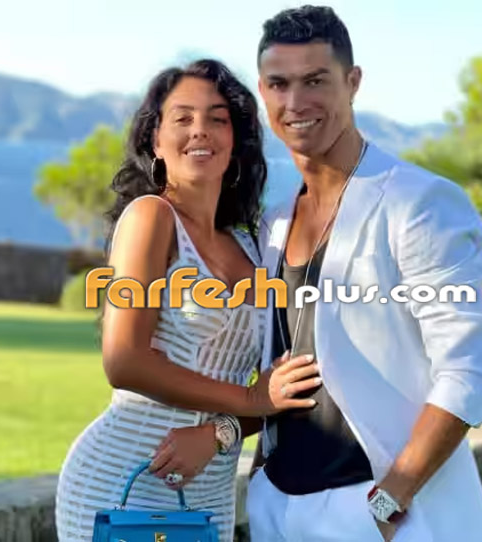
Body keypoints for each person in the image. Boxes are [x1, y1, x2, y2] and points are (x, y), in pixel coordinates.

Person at [245, 6, 482, 542]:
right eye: (279, 84)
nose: (295, 102)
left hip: (387, 513)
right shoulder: (274, 222)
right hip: (279, 511)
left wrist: (388, 501)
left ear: (353, 82)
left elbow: (470, 375)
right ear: (263, 91)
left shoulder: (419, 203)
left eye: (316, 80)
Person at [55, 59, 320, 542]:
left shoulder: (252, 246)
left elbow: (276, 392)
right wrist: (250, 398)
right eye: (183, 117)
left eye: (217, 119)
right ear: (156, 140)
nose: (200, 130)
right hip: (121, 482)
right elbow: (124, 361)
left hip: (208, 495)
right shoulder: (151, 218)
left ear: (235, 142)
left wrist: (220, 432)